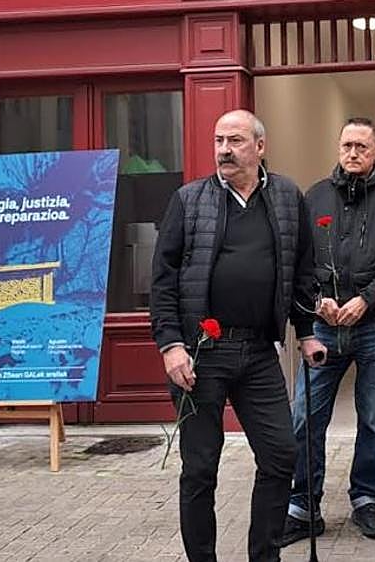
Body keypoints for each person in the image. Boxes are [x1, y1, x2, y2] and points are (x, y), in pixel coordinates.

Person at [149, 109, 319, 562]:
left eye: (235, 141)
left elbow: (302, 270)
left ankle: (265, 556)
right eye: (219, 140)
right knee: (200, 467)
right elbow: (162, 279)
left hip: (259, 350)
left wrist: (307, 333)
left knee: (281, 454)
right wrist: (170, 345)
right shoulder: (189, 200)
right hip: (200, 354)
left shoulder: (286, 196)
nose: (224, 150)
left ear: (260, 147)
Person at [280, 117, 375, 545]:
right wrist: (317, 300)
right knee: (305, 416)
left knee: (373, 420)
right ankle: (303, 505)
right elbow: (299, 259)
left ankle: (366, 500)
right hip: (324, 326)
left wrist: (366, 300)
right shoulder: (316, 196)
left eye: (361, 146)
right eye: (346, 146)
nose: (353, 153)